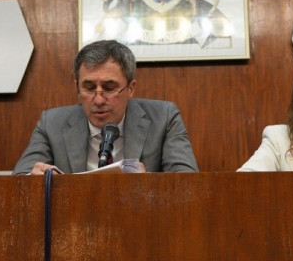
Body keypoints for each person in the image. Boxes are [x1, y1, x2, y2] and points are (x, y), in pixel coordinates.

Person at [13, 40, 199, 174]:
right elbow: (20, 179)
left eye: (109, 88)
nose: (99, 100)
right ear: (77, 87)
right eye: (89, 88)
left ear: (131, 88)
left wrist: (147, 184)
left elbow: (187, 181)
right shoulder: (52, 123)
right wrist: (35, 179)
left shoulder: (164, 118)